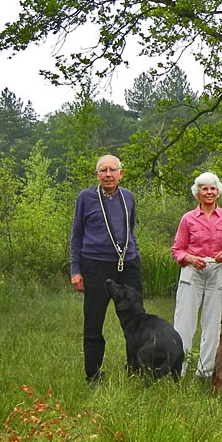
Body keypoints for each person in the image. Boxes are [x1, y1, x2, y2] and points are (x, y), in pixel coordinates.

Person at [69, 154, 142, 384]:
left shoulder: (128, 197)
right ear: (97, 175)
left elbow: (130, 230)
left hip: (127, 264)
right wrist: (75, 270)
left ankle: (136, 369)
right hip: (95, 265)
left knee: (136, 320)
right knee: (93, 322)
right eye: (103, 170)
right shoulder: (86, 198)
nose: (108, 174)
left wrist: (135, 255)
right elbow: (76, 235)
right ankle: (93, 375)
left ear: (121, 173)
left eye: (112, 170)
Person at [171, 172, 222, 379]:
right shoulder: (188, 219)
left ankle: (205, 371)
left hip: (219, 270)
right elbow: (177, 249)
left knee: (212, 323)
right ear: (197, 193)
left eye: (212, 188)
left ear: (217, 192)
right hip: (193, 270)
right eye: (204, 189)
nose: (209, 192)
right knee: (184, 321)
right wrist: (190, 259)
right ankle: (179, 370)